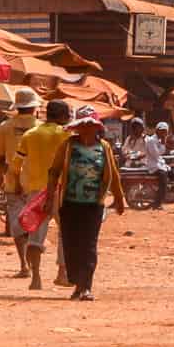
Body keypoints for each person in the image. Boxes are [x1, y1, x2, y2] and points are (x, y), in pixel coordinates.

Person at [42, 108, 126, 301]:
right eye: (83, 125)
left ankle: (85, 286)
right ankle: (76, 282)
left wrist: (120, 200)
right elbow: (53, 172)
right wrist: (49, 199)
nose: (86, 128)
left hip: (93, 205)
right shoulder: (67, 146)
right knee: (71, 244)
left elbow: (113, 174)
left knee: (88, 245)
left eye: (90, 125)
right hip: (69, 203)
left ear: (96, 127)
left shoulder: (104, 147)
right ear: (77, 127)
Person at [10, 99, 73, 289]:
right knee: (65, 234)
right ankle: (62, 273)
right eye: (68, 114)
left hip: (36, 191)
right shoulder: (68, 135)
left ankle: (35, 278)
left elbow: (15, 164)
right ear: (62, 116)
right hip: (61, 190)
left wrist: (18, 184)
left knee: (35, 236)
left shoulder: (30, 135)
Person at [0, 87, 42, 251]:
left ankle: (23, 264)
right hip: (37, 183)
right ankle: (32, 260)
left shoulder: (4, 127)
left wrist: (4, 175)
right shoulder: (41, 128)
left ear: (17, 106)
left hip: (13, 182)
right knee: (34, 222)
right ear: (35, 107)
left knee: (17, 224)